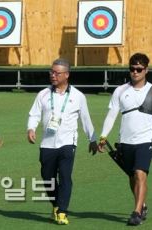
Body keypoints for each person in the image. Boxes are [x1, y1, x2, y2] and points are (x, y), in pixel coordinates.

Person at [98, 53, 152, 226]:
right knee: (132, 177)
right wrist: (103, 136)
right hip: (125, 141)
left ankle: (136, 212)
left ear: (146, 70)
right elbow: (111, 116)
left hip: (146, 140)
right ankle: (143, 205)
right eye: (132, 69)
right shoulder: (120, 91)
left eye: (139, 69)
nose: (135, 72)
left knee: (140, 174)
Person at [26, 58, 98, 225]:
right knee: (47, 178)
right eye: (51, 72)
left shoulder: (78, 96)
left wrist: (92, 139)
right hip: (47, 143)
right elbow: (34, 114)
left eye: (57, 73)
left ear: (66, 75)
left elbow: (85, 119)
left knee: (65, 176)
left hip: (68, 142)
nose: (53, 75)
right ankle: (56, 205)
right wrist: (31, 129)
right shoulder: (43, 94)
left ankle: (63, 211)